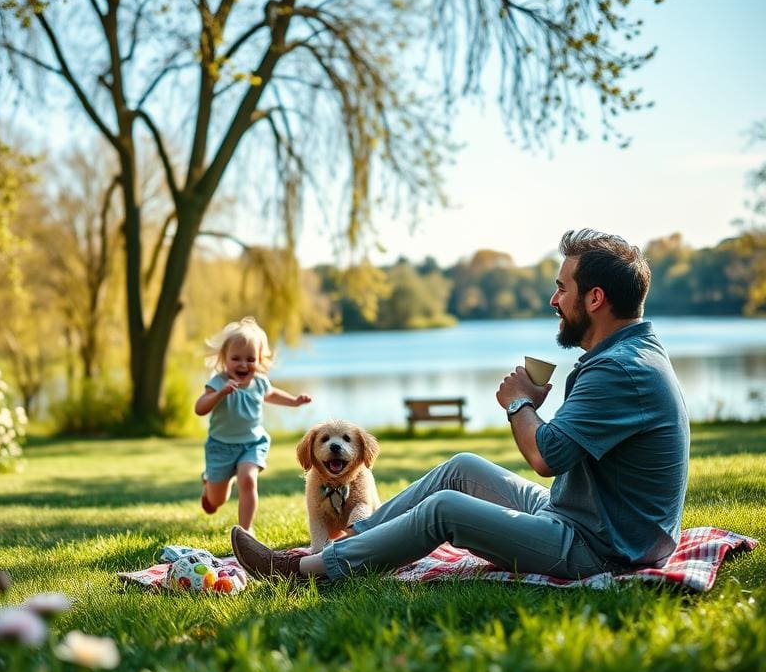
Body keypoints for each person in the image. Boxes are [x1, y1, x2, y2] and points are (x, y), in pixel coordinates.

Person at [231, 229, 690, 581]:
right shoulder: (627, 355)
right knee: (462, 466)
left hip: (602, 547)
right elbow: (566, 451)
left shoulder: (619, 370)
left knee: (445, 508)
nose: (554, 300)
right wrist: (529, 407)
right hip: (580, 515)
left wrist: (517, 404)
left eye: (562, 288)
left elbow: (545, 456)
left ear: (594, 298)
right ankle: (351, 541)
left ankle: (305, 572)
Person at [196, 316, 312, 533]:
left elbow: (273, 394)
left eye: (250, 359)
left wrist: (294, 401)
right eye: (236, 358)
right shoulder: (218, 382)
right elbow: (200, 408)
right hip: (220, 446)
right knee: (216, 501)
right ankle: (210, 484)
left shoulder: (259, 382)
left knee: (248, 479)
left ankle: (246, 530)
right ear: (224, 358)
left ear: (260, 360)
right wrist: (220, 393)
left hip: (252, 444)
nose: (243, 364)